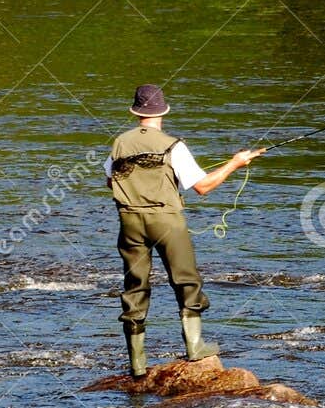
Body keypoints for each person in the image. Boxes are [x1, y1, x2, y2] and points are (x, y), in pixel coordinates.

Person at [104, 84, 265, 378]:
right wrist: (236, 163)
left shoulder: (119, 144)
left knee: (135, 285)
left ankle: (137, 364)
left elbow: (110, 181)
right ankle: (195, 347)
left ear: (135, 111)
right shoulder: (173, 145)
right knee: (185, 279)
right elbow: (203, 187)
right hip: (166, 219)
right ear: (163, 110)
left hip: (129, 220)